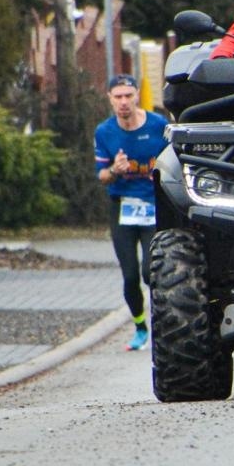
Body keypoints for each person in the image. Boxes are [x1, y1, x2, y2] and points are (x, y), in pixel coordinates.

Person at [94, 73, 169, 350]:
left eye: (128, 96)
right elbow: (101, 175)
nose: (124, 102)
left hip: (154, 206)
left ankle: (163, 323)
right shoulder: (105, 132)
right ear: (110, 100)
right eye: (118, 97)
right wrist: (115, 169)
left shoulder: (159, 125)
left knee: (152, 272)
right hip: (122, 208)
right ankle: (140, 327)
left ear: (137, 95)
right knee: (129, 276)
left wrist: (161, 175)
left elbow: (174, 163)